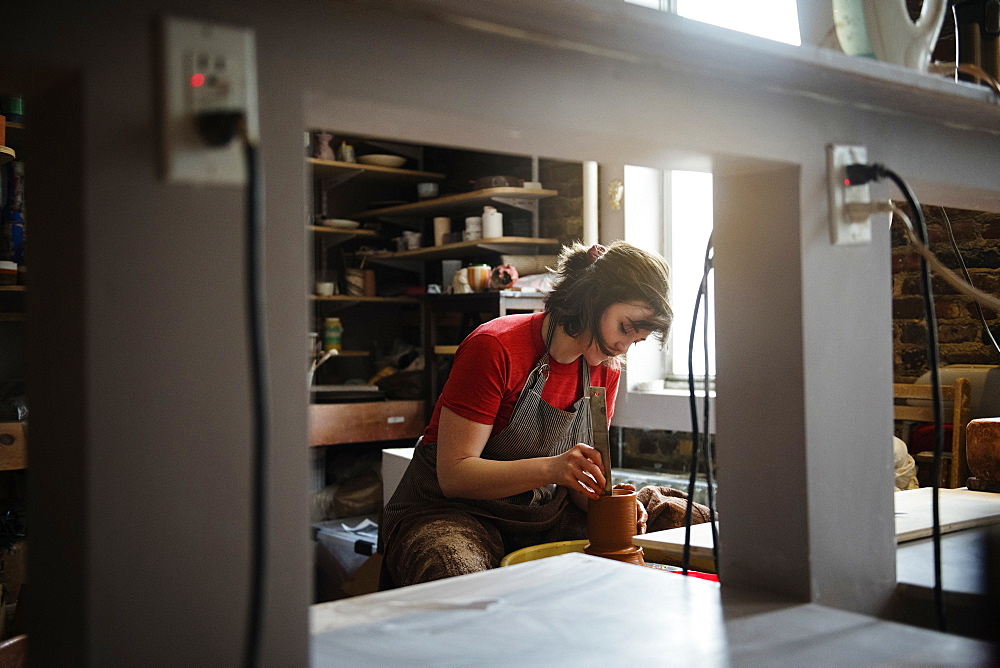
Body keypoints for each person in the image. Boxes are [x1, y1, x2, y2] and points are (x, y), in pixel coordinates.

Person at [379, 241, 673, 588]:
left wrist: (607, 500)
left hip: (539, 514)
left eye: (636, 340)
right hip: (452, 512)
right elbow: (454, 475)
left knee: (681, 516)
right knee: (457, 575)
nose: (624, 348)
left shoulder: (605, 369)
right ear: (592, 297)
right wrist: (553, 468)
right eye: (625, 328)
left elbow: (580, 487)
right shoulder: (495, 347)